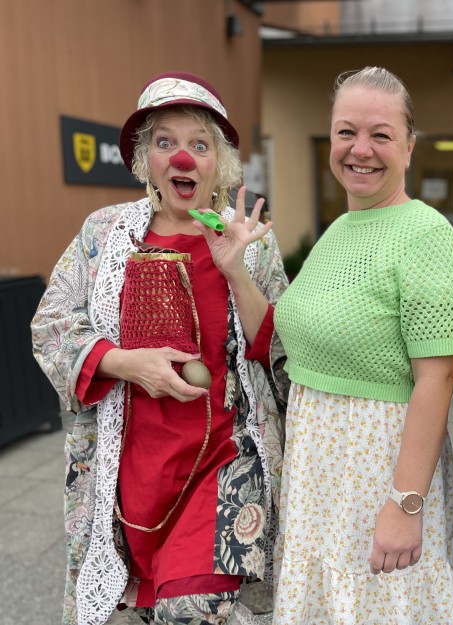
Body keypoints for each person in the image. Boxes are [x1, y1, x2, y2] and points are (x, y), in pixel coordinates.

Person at [31, 71, 289, 625]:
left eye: (200, 144)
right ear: (145, 159)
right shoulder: (104, 233)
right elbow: (51, 324)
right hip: (132, 471)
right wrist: (125, 364)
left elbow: (284, 351)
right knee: (138, 611)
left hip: (224, 461)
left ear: (219, 162)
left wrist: (236, 272)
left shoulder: (249, 239)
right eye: (165, 142)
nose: (182, 157)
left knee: (192, 609)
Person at [271, 66, 453, 624]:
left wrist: (406, 505)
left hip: (377, 467)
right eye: (345, 132)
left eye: (381, 134)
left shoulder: (428, 237)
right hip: (317, 466)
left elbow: (438, 378)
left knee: (376, 607)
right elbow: (292, 336)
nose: (360, 149)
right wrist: (235, 270)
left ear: (409, 147)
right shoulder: (339, 229)